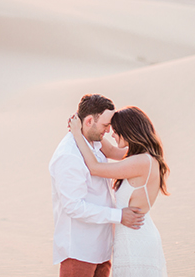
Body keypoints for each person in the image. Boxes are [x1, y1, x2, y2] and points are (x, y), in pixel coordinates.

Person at [49, 94, 146, 277]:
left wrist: (146, 142)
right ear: (88, 122)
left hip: (102, 249)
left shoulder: (94, 141)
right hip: (80, 251)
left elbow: (119, 153)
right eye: (105, 125)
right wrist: (118, 216)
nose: (109, 130)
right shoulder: (69, 156)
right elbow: (74, 207)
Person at [69, 106, 169, 277]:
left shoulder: (141, 161)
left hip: (136, 239)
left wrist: (77, 134)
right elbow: (111, 151)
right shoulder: (142, 156)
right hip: (132, 236)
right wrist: (90, 130)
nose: (112, 135)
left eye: (115, 131)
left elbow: (95, 167)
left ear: (128, 131)